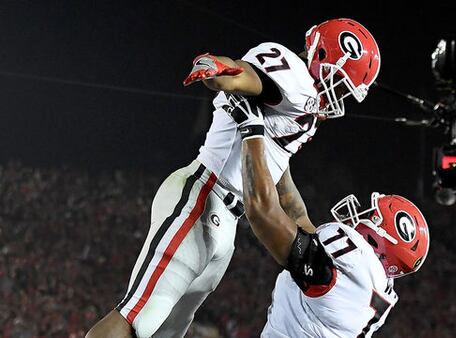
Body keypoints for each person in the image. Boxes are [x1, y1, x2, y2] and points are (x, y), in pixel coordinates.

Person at [86, 18, 381, 338]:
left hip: (226, 221)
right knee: (137, 318)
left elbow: (283, 186)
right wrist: (218, 68)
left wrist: (316, 244)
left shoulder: (299, 111)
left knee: (165, 334)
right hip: (203, 195)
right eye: (339, 83)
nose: (339, 95)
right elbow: (243, 74)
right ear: (322, 56)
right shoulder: (294, 76)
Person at [232, 97, 430, 337]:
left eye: (372, 216)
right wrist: (277, 148)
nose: (363, 215)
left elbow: (262, 211)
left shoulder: (352, 265)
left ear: (380, 241)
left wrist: (252, 130)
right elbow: (299, 217)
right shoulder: (368, 282)